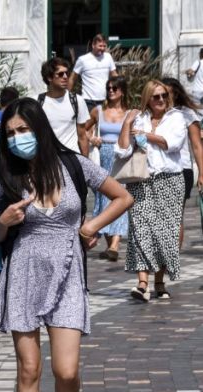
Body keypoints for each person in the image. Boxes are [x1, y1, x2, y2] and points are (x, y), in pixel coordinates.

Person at [0, 97, 132, 392]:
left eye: (23, 130)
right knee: (29, 369)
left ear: (40, 128)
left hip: (68, 271)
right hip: (24, 272)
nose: (18, 138)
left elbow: (123, 196)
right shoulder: (8, 177)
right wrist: (4, 221)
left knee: (66, 371)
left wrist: (92, 226)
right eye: (11, 134)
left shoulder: (73, 164)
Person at [116, 80, 188, 301]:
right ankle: (142, 284)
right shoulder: (138, 118)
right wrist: (127, 122)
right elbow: (122, 150)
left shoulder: (176, 117)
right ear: (148, 98)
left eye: (164, 95)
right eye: (156, 96)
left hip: (169, 180)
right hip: (141, 180)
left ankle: (159, 281)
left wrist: (145, 135)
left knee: (165, 234)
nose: (161, 100)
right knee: (140, 230)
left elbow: (172, 144)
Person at [84, 76, 131, 260]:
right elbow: (83, 129)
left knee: (121, 195)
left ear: (122, 91)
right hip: (102, 157)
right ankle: (110, 244)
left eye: (115, 88)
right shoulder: (98, 111)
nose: (111, 91)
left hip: (121, 158)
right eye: (109, 88)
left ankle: (115, 244)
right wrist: (92, 138)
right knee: (103, 198)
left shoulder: (129, 113)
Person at [160, 77, 203, 246]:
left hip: (181, 169)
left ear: (176, 94)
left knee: (176, 215)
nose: (163, 98)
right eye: (160, 94)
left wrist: (202, 173)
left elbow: (197, 146)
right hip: (157, 169)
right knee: (159, 215)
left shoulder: (187, 113)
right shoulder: (154, 112)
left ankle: (173, 256)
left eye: (167, 94)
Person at [39, 58, 90, 155]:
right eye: (60, 74)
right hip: (48, 157)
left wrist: (86, 161)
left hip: (71, 157)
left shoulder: (77, 101)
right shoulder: (38, 102)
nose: (65, 77)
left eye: (67, 73)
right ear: (49, 77)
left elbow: (82, 136)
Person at [69, 34, 119, 111]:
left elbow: (114, 75)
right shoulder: (83, 59)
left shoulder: (108, 57)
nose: (102, 48)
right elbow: (72, 78)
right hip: (88, 101)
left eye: (104, 46)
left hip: (105, 100)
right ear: (93, 45)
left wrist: (120, 90)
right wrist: (67, 96)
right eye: (100, 46)